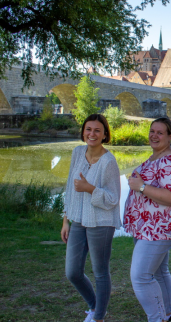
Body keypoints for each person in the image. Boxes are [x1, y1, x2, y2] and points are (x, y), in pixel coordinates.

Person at [124, 117, 171, 322]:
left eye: (160, 132)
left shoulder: (169, 160)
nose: (154, 135)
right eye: (152, 131)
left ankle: (158, 318)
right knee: (159, 272)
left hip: (158, 228)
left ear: (170, 136)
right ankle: (166, 314)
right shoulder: (157, 156)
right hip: (148, 227)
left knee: (141, 276)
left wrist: (141, 187)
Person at [61, 114, 121, 322]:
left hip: (101, 222)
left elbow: (113, 199)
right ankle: (95, 306)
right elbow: (70, 187)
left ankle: (98, 317)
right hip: (77, 219)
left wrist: (90, 189)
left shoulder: (109, 161)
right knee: (73, 272)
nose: (92, 134)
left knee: (100, 271)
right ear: (83, 131)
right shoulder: (77, 152)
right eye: (88, 129)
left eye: (97, 130)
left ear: (105, 134)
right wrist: (66, 219)